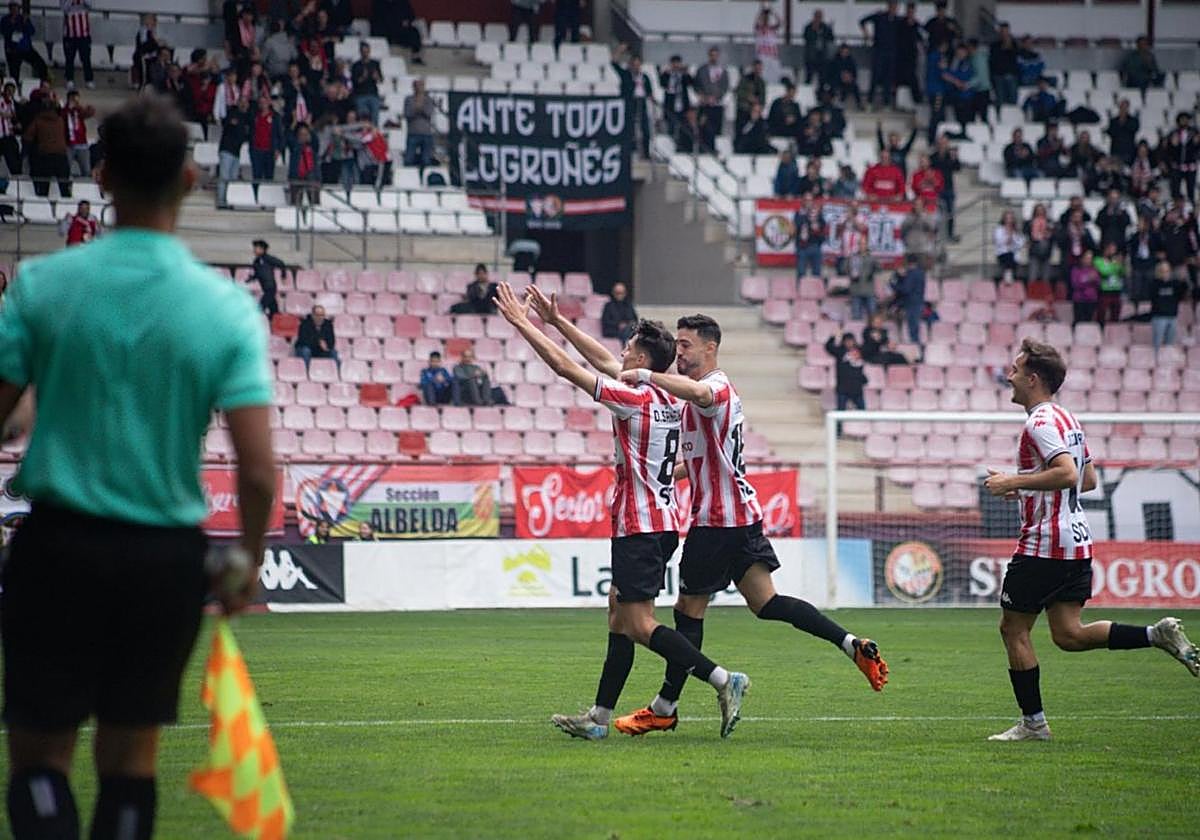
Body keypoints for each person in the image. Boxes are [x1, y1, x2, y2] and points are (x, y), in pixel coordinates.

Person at [0, 95, 275, 839]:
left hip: (56, 546)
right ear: (190, 179)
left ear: (102, 174)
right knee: (130, 761)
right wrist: (245, 561)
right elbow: (256, 471)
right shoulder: (224, 310)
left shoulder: (40, 286)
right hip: (162, 561)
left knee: (39, 758)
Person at [609, 313, 888, 737]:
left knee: (687, 613)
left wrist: (647, 374)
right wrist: (661, 470)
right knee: (767, 603)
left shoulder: (716, 388)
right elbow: (696, 460)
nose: (680, 353)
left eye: (686, 345)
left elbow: (698, 390)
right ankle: (851, 644)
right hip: (743, 517)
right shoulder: (695, 403)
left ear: (710, 348)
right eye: (678, 345)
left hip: (716, 522)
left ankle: (665, 707)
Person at [509, 286, 750, 741]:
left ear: (642, 363)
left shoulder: (632, 399)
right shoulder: (666, 399)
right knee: (618, 616)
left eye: (628, 351)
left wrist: (522, 325)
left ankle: (723, 679)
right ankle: (599, 718)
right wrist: (558, 322)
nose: (620, 355)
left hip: (639, 527)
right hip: (658, 524)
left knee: (638, 624)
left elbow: (566, 368)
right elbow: (602, 359)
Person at [982, 338, 1198, 741]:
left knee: (1013, 629)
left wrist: (1013, 480)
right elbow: (1089, 478)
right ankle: (1157, 634)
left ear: (1032, 379)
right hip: (1077, 542)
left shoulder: (1040, 423)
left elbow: (1066, 474)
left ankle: (1034, 725)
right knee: (1069, 634)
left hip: (1045, 545)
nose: (1008, 377)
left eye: (1014, 370)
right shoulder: (1067, 419)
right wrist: (1026, 489)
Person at [24, 96, 71, 198]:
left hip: (45, 156)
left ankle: (42, 209)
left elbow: (28, 136)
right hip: (61, 155)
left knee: (43, 188)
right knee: (64, 187)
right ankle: (68, 206)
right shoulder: (60, 120)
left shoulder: (38, 120)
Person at [860, 0, 901, 109]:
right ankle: (869, 102)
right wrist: (866, 34)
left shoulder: (898, 20)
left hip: (891, 53)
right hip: (879, 51)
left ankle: (886, 103)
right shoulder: (880, 16)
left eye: (895, 6)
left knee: (888, 79)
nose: (894, 8)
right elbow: (862, 21)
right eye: (892, 6)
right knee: (875, 77)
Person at [693, 47, 729, 154]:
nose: (714, 57)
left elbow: (725, 87)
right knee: (704, 126)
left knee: (715, 128)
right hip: (704, 104)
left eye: (715, 55)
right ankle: (703, 148)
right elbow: (696, 85)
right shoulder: (702, 70)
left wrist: (716, 97)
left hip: (717, 104)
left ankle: (713, 148)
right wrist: (703, 96)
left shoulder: (723, 70)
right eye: (712, 55)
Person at [217, 96, 251, 208]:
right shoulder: (232, 113)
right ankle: (221, 202)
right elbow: (225, 123)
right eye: (241, 102)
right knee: (224, 177)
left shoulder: (246, 118)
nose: (244, 105)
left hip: (236, 153)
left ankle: (230, 201)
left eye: (245, 103)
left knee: (233, 179)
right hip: (227, 150)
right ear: (238, 103)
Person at [1, 2, 48, 83]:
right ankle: (15, 86)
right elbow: (3, 31)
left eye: (16, 8)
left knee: (40, 64)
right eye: (13, 8)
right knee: (14, 72)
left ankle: (44, 82)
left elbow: (32, 31)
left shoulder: (23, 18)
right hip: (12, 50)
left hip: (25, 48)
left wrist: (25, 22)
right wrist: (11, 25)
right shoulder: (5, 19)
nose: (15, 10)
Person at [1159, 113, 1199, 203]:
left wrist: (1196, 144)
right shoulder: (1173, 133)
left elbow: (1196, 149)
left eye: (1186, 119)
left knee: (1191, 189)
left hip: (1190, 166)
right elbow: (1166, 149)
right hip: (1177, 166)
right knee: (1175, 189)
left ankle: (1191, 206)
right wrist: (1173, 145)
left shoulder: (1195, 132)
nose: (1184, 121)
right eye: (1182, 119)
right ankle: (1175, 204)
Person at [825, 330, 868, 413]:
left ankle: (862, 426)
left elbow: (871, 349)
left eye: (851, 340)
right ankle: (839, 426)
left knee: (863, 413)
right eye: (847, 341)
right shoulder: (840, 352)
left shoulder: (860, 352)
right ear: (843, 342)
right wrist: (833, 337)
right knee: (840, 412)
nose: (849, 343)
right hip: (843, 388)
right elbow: (828, 347)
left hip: (857, 388)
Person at [1149, 260, 1184, 353]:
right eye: (1163, 271)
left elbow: (1181, 295)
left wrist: (1182, 281)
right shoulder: (1154, 284)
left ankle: (1167, 362)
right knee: (1157, 343)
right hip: (1159, 317)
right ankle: (1156, 361)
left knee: (1170, 345)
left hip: (1172, 316)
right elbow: (1152, 297)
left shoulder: (1175, 284)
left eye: (1167, 271)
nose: (1165, 273)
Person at [61, 0, 95, 89]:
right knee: (69, 58)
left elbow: (90, 6)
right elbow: (64, 8)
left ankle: (89, 80)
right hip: (69, 34)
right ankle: (69, 80)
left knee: (86, 58)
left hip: (84, 34)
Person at [287, 122, 321, 210]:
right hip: (296, 176)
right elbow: (288, 138)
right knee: (295, 204)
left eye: (306, 134)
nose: (303, 137)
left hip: (312, 176)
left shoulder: (313, 146)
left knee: (315, 203)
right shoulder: (294, 146)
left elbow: (316, 141)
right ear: (297, 136)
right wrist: (293, 124)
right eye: (301, 134)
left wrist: (310, 126)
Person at [893, 253, 926, 343]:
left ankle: (917, 352)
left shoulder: (911, 274)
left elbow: (906, 289)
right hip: (919, 302)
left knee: (913, 331)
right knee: (915, 330)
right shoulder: (921, 273)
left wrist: (894, 286)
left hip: (911, 304)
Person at [403, 78, 435, 167]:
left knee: (426, 160)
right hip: (413, 133)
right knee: (409, 159)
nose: (419, 88)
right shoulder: (408, 99)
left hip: (426, 134)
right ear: (414, 87)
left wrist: (419, 108)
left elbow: (429, 113)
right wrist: (417, 110)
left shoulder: (428, 100)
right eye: (417, 86)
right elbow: (407, 114)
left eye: (421, 86)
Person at [62, 90, 95, 177]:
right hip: (68, 144)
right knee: (65, 169)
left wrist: (87, 108)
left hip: (82, 144)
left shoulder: (79, 109)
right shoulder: (64, 110)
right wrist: (69, 108)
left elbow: (89, 114)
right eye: (73, 99)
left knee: (86, 170)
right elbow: (62, 117)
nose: (75, 101)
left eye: (76, 99)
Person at [295, 304, 339, 369]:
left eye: (322, 315)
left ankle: (336, 373)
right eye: (317, 315)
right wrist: (319, 343)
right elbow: (303, 340)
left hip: (320, 350)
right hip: (306, 348)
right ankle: (306, 372)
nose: (320, 318)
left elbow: (332, 342)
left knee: (333, 352)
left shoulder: (328, 324)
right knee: (306, 351)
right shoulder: (305, 324)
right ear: (313, 315)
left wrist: (327, 346)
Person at [658, 54, 692, 136]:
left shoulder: (683, 75)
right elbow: (662, 84)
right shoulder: (667, 75)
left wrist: (686, 73)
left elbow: (690, 82)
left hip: (682, 105)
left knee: (683, 127)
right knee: (671, 126)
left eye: (678, 63)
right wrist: (667, 74)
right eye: (674, 63)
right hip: (671, 105)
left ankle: (681, 144)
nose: (676, 65)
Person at [792, 200, 827, 279]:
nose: (813, 213)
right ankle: (800, 289)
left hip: (815, 247)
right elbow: (795, 228)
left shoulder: (821, 221)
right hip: (803, 247)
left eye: (815, 211)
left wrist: (816, 228)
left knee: (816, 272)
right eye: (811, 211)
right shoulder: (801, 218)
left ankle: (816, 289)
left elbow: (823, 235)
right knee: (801, 272)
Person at [250, 239, 284, 318]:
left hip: (271, 287)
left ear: (263, 249)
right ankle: (274, 322)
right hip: (265, 287)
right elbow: (257, 273)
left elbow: (281, 264)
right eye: (254, 248)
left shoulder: (268, 258)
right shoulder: (256, 261)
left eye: (257, 248)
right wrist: (251, 278)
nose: (254, 250)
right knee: (274, 309)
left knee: (261, 307)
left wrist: (283, 275)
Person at [351, 41, 382, 128]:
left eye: (367, 51)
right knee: (363, 119)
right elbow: (354, 82)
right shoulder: (356, 65)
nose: (365, 53)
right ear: (360, 52)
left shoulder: (375, 64)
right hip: (361, 95)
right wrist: (363, 77)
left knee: (375, 118)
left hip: (373, 94)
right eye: (363, 51)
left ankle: (374, 136)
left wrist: (376, 77)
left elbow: (380, 80)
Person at [1093, 241, 1125, 325]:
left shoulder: (1116, 260)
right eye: (1111, 249)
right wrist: (1115, 266)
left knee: (1116, 313)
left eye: (1114, 249)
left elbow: (1123, 272)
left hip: (1116, 290)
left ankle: (1113, 332)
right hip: (1105, 291)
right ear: (1105, 249)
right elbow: (1104, 272)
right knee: (1102, 313)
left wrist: (1120, 265)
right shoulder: (1098, 260)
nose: (1113, 251)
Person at [846, 237, 878, 319]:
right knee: (856, 316)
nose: (862, 246)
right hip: (856, 289)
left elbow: (879, 269)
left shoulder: (872, 257)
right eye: (860, 244)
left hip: (869, 290)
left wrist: (875, 266)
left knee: (872, 315)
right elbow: (846, 269)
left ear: (867, 245)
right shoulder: (853, 257)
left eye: (864, 244)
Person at [1024, 203, 1054, 291]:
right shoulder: (1029, 223)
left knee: (1046, 277)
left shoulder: (1049, 222)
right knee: (1033, 275)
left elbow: (1053, 236)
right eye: (1038, 210)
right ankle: (1031, 293)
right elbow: (1026, 234)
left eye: (1042, 210)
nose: (1040, 212)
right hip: (1034, 251)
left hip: (1046, 252)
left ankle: (1045, 293)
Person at [801, 9, 834, 84]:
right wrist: (814, 31)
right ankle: (807, 90)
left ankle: (821, 93)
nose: (818, 18)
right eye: (817, 16)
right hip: (811, 57)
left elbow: (831, 38)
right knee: (809, 76)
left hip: (822, 56)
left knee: (822, 77)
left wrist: (830, 29)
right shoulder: (809, 27)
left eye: (820, 16)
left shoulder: (825, 27)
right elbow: (805, 38)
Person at [989, 22, 1019, 106]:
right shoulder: (994, 45)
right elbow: (994, 59)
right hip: (998, 75)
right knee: (1000, 98)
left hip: (1011, 74)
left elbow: (1016, 56)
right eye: (1002, 31)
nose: (1004, 33)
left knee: (1012, 98)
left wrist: (1009, 46)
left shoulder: (1014, 44)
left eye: (1006, 31)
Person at [734, 59, 766, 135]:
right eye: (756, 68)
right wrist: (748, 97)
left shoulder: (761, 82)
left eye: (759, 69)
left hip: (756, 110)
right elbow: (738, 92)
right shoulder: (745, 79)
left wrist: (758, 107)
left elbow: (763, 98)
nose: (758, 70)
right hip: (744, 108)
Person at [752, 2, 782, 83]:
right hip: (762, 56)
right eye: (764, 19)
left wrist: (772, 12)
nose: (765, 20)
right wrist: (761, 12)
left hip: (772, 56)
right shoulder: (759, 30)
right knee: (762, 75)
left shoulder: (772, 29)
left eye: (767, 18)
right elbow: (756, 23)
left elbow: (779, 22)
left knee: (774, 75)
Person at [994, 209, 1025, 284]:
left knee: (1012, 257)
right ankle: (1008, 275)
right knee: (1009, 256)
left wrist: (1013, 239)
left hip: (1014, 254)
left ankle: (1010, 276)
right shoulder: (999, 230)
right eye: (1007, 218)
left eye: (1011, 218)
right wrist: (1008, 237)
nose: (1009, 220)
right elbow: (999, 242)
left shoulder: (1017, 231)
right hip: (1003, 253)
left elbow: (1021, 243)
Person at [826, 43, 861, 109]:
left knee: (854, 86)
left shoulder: (851, 61)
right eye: (843, 52)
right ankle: (835, 101)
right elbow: (830, 73)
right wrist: (841, 76)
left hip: (848, 81)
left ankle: (859, 104)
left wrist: (850, 77)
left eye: (846, 52)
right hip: (836, 80)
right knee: (835, 86)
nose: (845, 53)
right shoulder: (834, 60)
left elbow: (854, 73)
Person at [1105, 98, 1139, 165]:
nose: (1123, 109)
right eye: (1122, 107)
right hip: (1116, 151)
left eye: (1125, 107)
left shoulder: (1133, 121)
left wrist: (1124, 122)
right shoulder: (1113, 121)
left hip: (1129, 152)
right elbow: (1111, 132)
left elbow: (1134, 129)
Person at [1070, 250, 1100, 324]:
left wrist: (1094, 279)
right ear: (1082, 258)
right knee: (1079, 322)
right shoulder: (1076, 270)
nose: (1089, 260)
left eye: (1090, 258)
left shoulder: (1094, 270)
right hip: (1079, 300)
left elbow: (1098, 283)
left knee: (1088, 322)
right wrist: (1087, 280)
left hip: (1091, 300)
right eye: (1087, 258)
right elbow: (1075, 284)